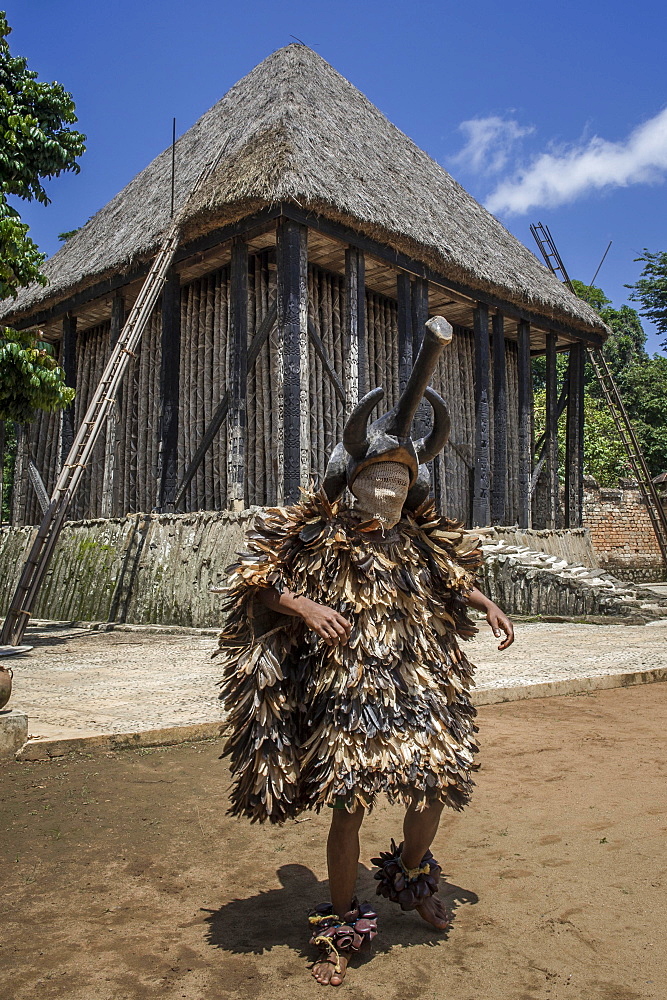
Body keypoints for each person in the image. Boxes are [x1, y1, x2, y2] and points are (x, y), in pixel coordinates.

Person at [215, 316, 514, 987]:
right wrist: (304, 605)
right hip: (348, 693)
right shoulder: (315, 535)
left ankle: (411, 877)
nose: (390, 493)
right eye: (378, 481)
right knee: (348, 804)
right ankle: (341, 922)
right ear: (350, 482)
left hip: (422, 685)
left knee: (435, 786)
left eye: (401, 486)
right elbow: (257, 582)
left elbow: (451, 578)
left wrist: (483, 602)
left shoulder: (418, 541)